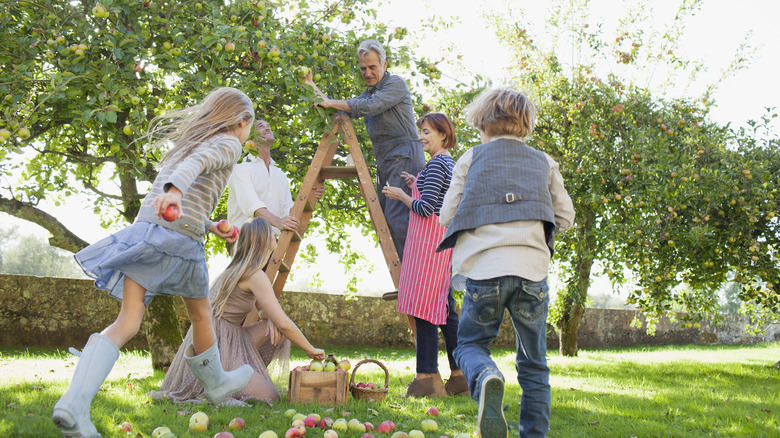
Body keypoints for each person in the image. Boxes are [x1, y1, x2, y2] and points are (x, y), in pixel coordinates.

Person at [52, 87, 257, 438]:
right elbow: (196, 170)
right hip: (180, 241)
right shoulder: (229, 143)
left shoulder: (188, 146)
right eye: (249, 127)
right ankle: (218, 383)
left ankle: (74, 403)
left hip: (150, 232)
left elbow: (185, 191)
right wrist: (176, 194)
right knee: (202, 314)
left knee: (128, 320)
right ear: (242, 121)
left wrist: (210, 224)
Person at [438, 87, 575, 438]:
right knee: (534, 364)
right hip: (532, 274)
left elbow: (446, 216)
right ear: (526, 125)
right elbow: (566, 216)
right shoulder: (544, 161)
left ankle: (486, 377)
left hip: (484, 273)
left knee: (470, 345)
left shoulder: (471, 158)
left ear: (482, 122)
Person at [149, 217, 326, 405]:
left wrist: (272, 319)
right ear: (265, 240)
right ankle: (226, 386)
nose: (276, 235)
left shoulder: (241, 269)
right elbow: (285, 323)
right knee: (270, 396)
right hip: (219, 342)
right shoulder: (254, 275)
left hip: (229, 335)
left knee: (273, 328)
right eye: (272, 233)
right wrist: (310, 349)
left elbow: (266, 313)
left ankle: (244, 375)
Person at [304, 39, 426, 300]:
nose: (368, 73)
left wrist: (333, 103)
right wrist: (311, 87)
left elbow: (366, 108)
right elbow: (339, 103)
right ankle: (407, 278)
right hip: (386, 162)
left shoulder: (395, 85)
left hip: (404, 156)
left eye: (372, 67)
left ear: (384, 63)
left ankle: (416, 280)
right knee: (386, 219)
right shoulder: (368, 93)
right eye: (363, 69)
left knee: (398, 218)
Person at [381, 113, 466, 398]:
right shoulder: (444, 164)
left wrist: (400, 195)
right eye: (421, 131)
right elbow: (434, 195)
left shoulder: (440, 164)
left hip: (429, 248)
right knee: (444, 310)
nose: (421, 137)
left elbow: (426, 207)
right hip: (439, 246)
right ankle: (459, 376)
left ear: (443, 135)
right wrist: (414, 181)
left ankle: (426, 378)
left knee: (425, 309)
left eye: (427, 132)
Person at [227, 119, 298, 242]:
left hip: (271, 242)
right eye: (261, 126)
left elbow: (289, 211)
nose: (267, 129)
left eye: (269, 126)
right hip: (244, 239)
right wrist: (278, 222)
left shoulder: (280, 175)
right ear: (250, 137)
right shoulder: (241, 167)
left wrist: (311, 195)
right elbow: (252, 205)